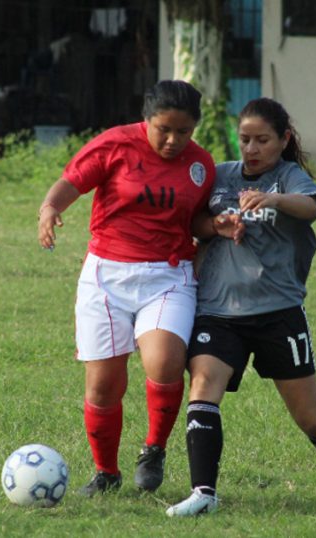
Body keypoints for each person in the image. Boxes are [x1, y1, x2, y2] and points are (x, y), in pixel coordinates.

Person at [166, 98, 316, 517]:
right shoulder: (222, 176)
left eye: (262, 140)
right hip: (218, 310)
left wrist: (272, 200)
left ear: (283, 140)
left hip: (277, 314)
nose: (251, 148)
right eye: (245, 139)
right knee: (203, 385)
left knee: (311, 418)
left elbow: (311, 207)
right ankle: (204, 494)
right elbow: (193, 224)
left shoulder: (290, 179)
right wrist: (216, 226)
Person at [36, 80, 240, 498]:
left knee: (164, 362)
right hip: (106, 275)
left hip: (168, 276)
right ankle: (106, 473)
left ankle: (154, 449)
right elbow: (70, 182)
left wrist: (213, 226)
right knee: (103, 385)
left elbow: (196, 221)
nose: (172, 140)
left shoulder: (200, 165)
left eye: (183, 132)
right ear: (146, 119)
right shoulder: (114, 145)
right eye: (163, 128)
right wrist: (49, 208)